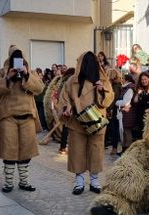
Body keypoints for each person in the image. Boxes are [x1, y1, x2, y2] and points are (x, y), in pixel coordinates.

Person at [0, 45, 44, 193]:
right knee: (9, 150)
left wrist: (26, 75)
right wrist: (8, 77)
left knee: (26, 150)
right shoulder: (2, 72)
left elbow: (40, 88)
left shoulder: (30, 71)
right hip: (8, 116)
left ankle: (24, 182)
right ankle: (8, 183)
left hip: (27, 117)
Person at [59, 51, 114, 195]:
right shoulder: (72, 81)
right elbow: (64, 98)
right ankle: (79, 181)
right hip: (77, 122)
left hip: (97, 121)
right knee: (77, 151)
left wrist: (102, 91)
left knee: (96, 150)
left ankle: (94, 181)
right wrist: (67, 108)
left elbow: (109, 100)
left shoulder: (102, 79)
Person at [132, 71, 149, 139]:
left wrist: (145, 97)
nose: (143, 81)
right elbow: (134, 101)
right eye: (142, 79)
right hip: (140, 115)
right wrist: (138, 94)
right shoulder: (139, 89)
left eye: (145, 79)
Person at [115, 75, 137, 152]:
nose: (122, 80)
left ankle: (128, 150)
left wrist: (116, 102)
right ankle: (125, 149)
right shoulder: (126, 88)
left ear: (127, 80)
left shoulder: (129, 89)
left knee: (127, 131)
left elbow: (126, 102)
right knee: (124, 131)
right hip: (126, 112)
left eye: (123, 79)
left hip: (128, 113)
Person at [106, 68, 123, 155]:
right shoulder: (118, 84)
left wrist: (108, 108)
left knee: (115, 129)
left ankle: (114, 148)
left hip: (116, 109)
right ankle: (114, 147)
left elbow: (113, 98)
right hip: (117, 108)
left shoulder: (116, 86)